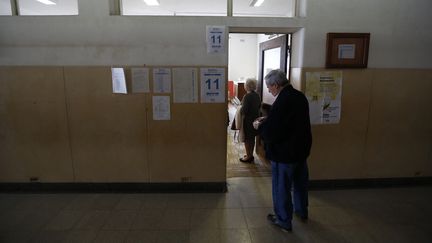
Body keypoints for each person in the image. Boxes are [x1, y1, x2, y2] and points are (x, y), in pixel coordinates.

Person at [253, 69, 312, 232]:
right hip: (301, 150)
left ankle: (283, 220)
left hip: (285, 154)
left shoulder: (282, 101)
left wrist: (260, 126)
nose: (269, 90)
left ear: (276, 85)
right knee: (300, 184)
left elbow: (273, 133)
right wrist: (270, 119)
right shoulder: (299, 96)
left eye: (269, 87)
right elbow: (290, 122)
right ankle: (301, 211)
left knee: (282, 187)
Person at [239, 78, 261, 163]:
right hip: (255, 119)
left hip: (248, 120)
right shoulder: (257, 95)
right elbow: (259, 106)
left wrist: (240, 108)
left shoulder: (247, 96)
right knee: (252, 138)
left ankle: (248, 156)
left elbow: (244, 110)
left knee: (247, 139)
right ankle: (250, 155)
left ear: (247, 86)